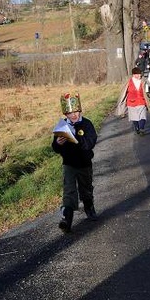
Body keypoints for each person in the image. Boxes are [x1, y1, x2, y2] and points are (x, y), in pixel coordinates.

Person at [52, 92, 99, 232]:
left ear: (80, 110)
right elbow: (55, 148)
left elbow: (90, 143)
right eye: (70, 113)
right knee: (69, 192)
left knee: (86, 189)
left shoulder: (87, 124)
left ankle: (89, 207)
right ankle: (66, 220)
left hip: (84, 163)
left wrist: (76, 140)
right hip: (69, 164)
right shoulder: (62, 127)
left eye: (76, 112)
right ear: (66, 114)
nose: (74, 115)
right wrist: (58, 144)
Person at [123, 67, 150, 135]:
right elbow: (124, 92)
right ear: (134, 75)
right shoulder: (128, 81)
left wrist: (149, 95)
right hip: (131, 102)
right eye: (138, 74)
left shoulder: (144, 80)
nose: (140, 76)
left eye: (140, 74)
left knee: (142, 116)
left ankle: (141, 128)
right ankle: (137, 127)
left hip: (141, 101)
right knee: (135, 117)